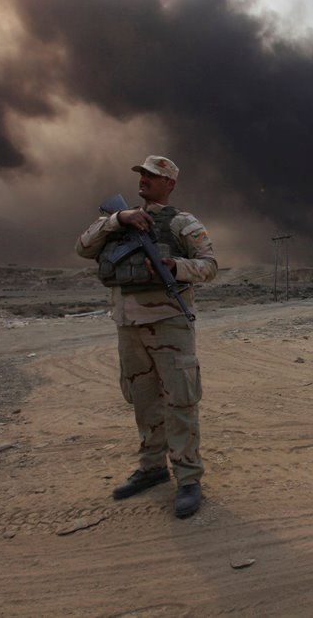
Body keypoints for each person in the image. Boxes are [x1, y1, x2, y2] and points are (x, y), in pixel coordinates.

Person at [76, 155, 217, 519]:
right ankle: (152, 468)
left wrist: (175, 266)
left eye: (153, 176)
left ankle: (187, 478)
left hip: (169, 324)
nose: (144, 180)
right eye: (142, 174)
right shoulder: (118, 222)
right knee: (143, 402)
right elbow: (83, 247)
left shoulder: (183, 222)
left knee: (180, 403)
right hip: (129, 327)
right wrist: (117, 219)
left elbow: (210, 266)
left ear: (169, 183)